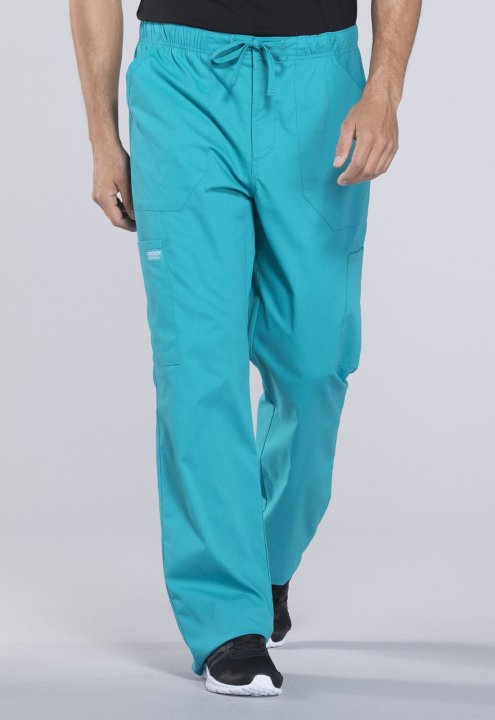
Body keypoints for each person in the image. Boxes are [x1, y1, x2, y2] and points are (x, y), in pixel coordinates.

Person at [70, 0, 421, 697]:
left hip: (319, 81)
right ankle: (228, 620)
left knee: (316, 365)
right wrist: (103, 137)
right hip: (181, 83)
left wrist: (384, 89)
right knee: (198, 364)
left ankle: (264, 558)